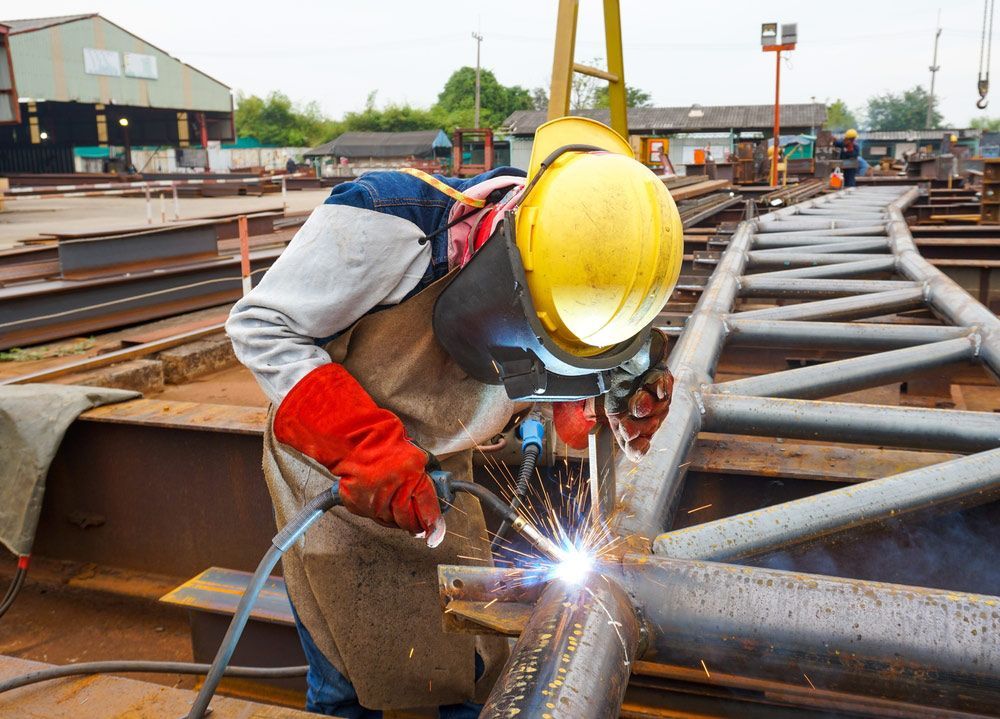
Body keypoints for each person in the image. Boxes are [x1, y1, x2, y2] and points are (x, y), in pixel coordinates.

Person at [226, 117, 684, 718]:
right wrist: (362, 444)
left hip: (441, 474)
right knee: (344, 673)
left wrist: (600, 394)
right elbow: (260, 326)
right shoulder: (386, 221)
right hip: (335, 481)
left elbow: (575, 352)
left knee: (471, 663)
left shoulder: (594, 258)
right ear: (507, 264)